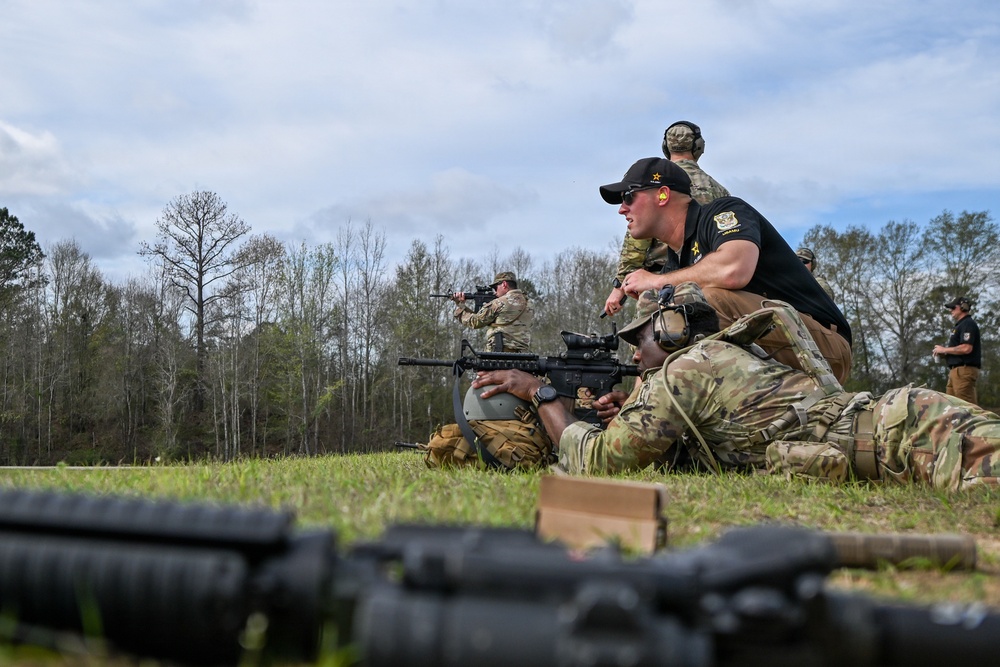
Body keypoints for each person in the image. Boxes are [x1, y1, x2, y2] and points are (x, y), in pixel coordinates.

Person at [472, 283, 1000, 491]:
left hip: (913, 435)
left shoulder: (688, 367)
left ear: (672, 329)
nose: (634, 351)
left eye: (642, 336)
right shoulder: (713, 358)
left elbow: (597, 463)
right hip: (901, 426)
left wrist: (539, 394)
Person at [599, 156, 853, 383]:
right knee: (660, 321)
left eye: (629, 196)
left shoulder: (725, 212)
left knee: (694, 302)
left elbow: (734, 269)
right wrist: (630, 408)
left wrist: (656, 282)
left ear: (663, 195)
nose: (622, 208)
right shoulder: (674, 265)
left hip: (822, 350)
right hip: (772, 354)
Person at [604, 121, 730, 317]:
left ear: (666, 147)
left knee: (652, 340)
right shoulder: (720, 191)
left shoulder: (649, 188)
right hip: (707, 283)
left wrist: (619, 287)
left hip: (660, 288)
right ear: (698, 147)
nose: (623, 209)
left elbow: (636, 246)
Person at [453, 271, 533, 353]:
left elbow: (475, 321)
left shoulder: (499, 303)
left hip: (499, 356)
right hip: (523, 357)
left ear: (504, 284)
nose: (495, 292)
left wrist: (460, 306)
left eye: (495, 287)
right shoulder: (529, 303)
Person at [933, 296, 981, 406]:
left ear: (963, 308)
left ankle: (980, 423)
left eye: (953, 308)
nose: (951, 311)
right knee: (952, 407)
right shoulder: (960, 325)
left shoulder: (968, 324)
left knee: (967, 408)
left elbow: (966, 348)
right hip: (956, 372)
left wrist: (944, 349)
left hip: (964, 371)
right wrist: (944, 353)